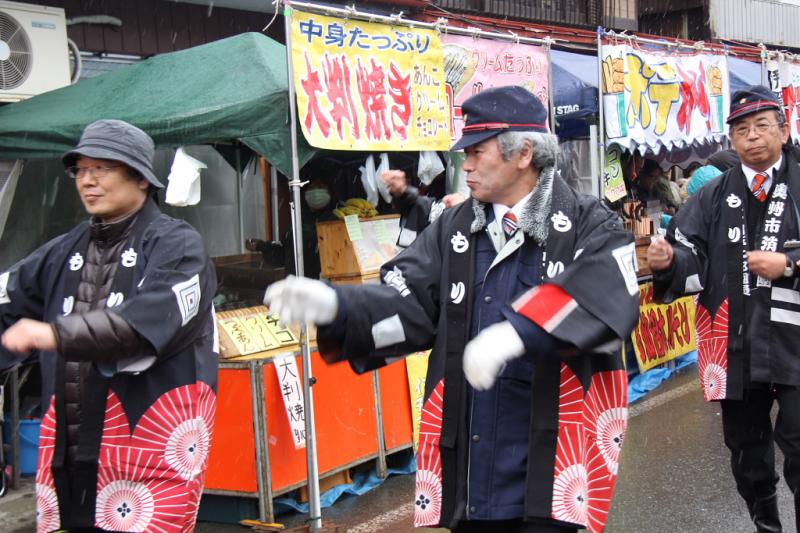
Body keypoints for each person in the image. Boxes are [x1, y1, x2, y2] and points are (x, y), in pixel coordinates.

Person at [265, 86, 640, 532]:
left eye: (478, 152)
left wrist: (518, 332)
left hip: (555, 458)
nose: (467, 164)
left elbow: (608, 296)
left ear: (522, 154)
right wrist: (340, 305)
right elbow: (410, 301)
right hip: (471, 453)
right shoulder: (455, 227)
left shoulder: (587, 222)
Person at [0, 119, 218, 533]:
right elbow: (7, 298)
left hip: (146, 446)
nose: (88, 181)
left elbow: (150, 320)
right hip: (67, 441)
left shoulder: (177, 244)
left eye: (102, 168)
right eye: (81, 170)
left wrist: (54, 334)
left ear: (140, 178)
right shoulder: (63, 249)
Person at [647, 85, 800, 533]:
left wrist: (789, 264)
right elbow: (692, 256)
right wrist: (669, 260)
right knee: (746, 450)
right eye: (741, 130)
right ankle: (766, 524)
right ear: (731, 139)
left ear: (784, 130)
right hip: (734, 342)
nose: (752, 137)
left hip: (795, 340)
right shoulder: (712, 195)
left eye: (761, 126)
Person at [381, 168, 466, 247]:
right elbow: (422, 206)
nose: (468, 167)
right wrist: (403, 190)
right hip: (411, 252)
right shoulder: (436, 208)